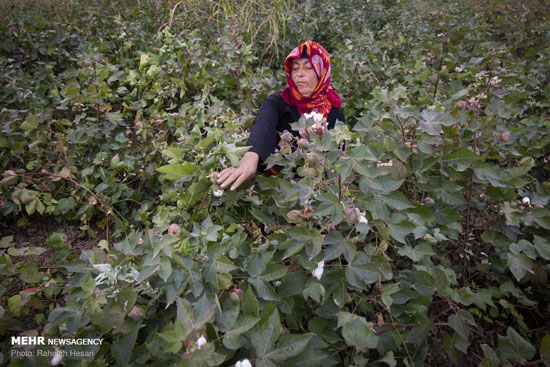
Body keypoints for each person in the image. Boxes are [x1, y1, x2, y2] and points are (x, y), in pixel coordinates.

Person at [216, 40, 345, 190]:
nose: (300, 74)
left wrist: (322, 143)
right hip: (278, 186)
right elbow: (263, 128)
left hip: (316, 190)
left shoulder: (334, 110)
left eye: (309, 67)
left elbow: (338, 161)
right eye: (295, 68)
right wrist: (251, 156)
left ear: (321, 72)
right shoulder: (278, 102)